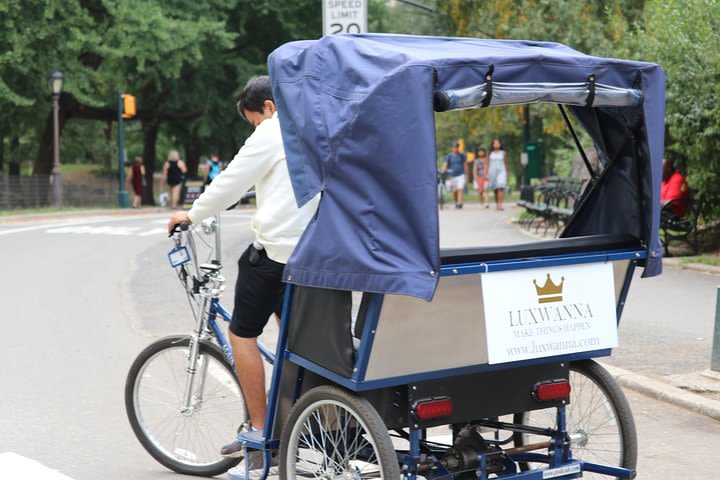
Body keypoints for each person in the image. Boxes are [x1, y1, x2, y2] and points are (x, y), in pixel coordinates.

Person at [166, 76, 320, 468]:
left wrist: (192, 213)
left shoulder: (271, 131)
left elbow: (230, 182)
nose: (255, 127)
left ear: (268, 107)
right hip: (314, 253)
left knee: (242, 334)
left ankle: (257, 425)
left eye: (254, 120)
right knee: (302, 337)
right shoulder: (313, 125)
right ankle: (312, 415)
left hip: (276, 255)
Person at [442, 141, 466, 209]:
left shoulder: (461, 156)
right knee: (454, 191)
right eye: (454, 147)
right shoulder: (449, 156)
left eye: (456, 147)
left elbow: (465, 165)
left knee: (460, 189)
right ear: (452, 148)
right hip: (452, 176)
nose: (455, 148)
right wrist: (443, 171)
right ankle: (457, 202)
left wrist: (466, 175)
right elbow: (445, 164)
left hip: (461, 175)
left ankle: (459, 203)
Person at [486, 138, 509, 210]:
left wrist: (508, 173)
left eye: (498, 143)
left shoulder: (503, 153)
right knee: (495, 189)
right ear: (493, 145)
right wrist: (486, 173)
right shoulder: (490, 153)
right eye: (495, 143)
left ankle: (500, 204)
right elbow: (488, 164)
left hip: (501, 172)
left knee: (500, 187)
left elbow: (506, 163)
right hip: (492, 172)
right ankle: (497, 203)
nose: (496, 144)